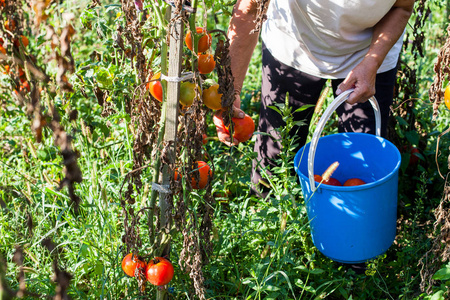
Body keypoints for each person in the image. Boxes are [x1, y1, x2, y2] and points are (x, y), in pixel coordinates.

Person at [216, 0, 415, 196]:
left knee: (360, 168)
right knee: (273, 165)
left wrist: (373, 61)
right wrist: (230, 91)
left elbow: (402, 7)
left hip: (369, 51)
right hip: (293, 43)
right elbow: (250, 9)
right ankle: (270, 212)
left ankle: (343, 223)